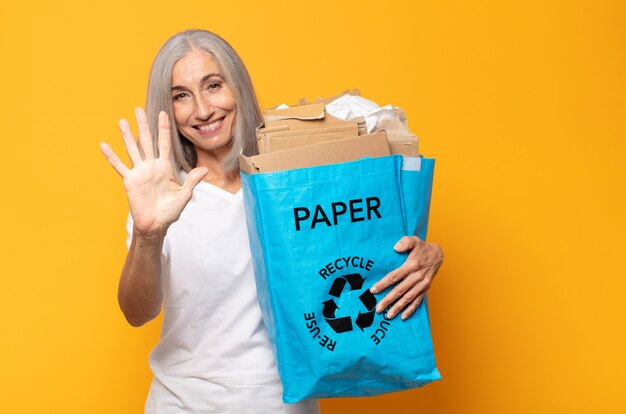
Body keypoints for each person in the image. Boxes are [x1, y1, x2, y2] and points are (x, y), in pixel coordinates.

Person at [100, 29, 443, 414]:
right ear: (168, 109)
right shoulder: (162, 197)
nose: (202, 109)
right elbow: (137, 312)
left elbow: (356, 250)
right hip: (183, 403)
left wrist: (422, 254)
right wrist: (148, 234)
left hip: (282, 404)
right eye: (181, 95)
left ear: (238, 88)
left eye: (213, 85)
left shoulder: (295, 180)